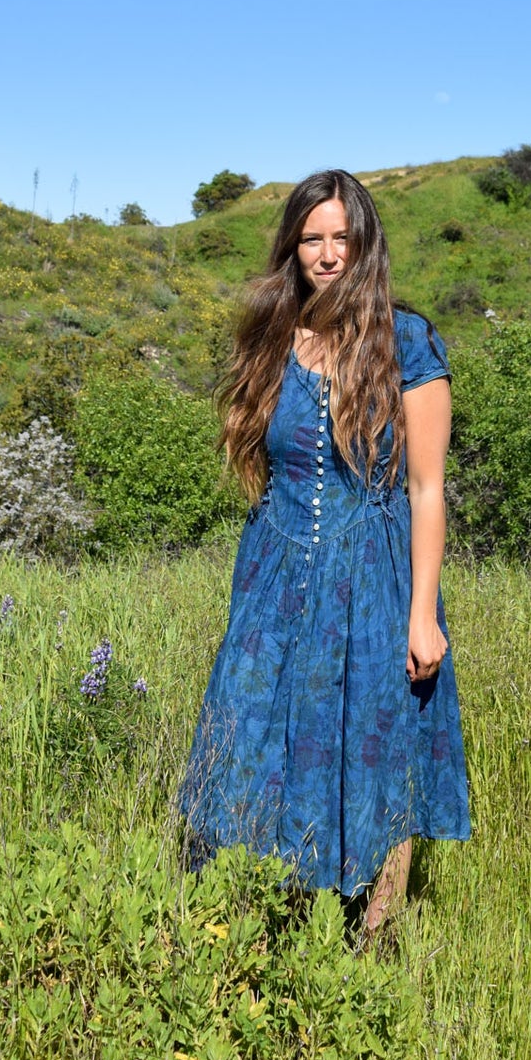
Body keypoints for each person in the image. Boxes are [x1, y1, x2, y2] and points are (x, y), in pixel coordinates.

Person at [179, 168, 471, 940]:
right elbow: (268, 464)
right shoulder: (274, 335)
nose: (328, 252)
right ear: (292, 246)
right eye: (312, 238)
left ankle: (374, 928)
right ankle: (264, 908)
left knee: (379, 735)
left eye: (342, 236)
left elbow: (426, 489)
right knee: (250, 724)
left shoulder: (407, 341)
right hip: (274, 571)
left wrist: (421, 615)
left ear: (364, 242)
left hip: (373, 572)